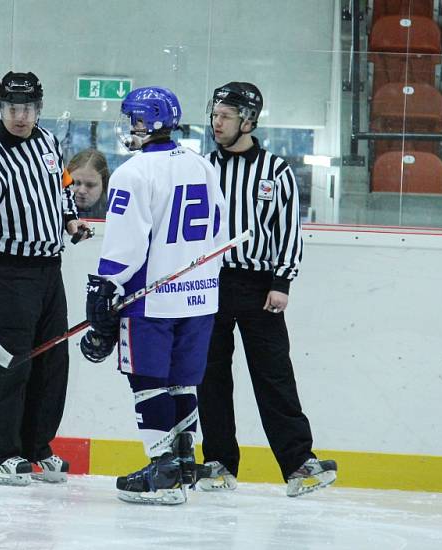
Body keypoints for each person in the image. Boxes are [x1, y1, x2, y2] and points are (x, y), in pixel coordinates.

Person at [79, 86, 227, 505]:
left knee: (147, 381)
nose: (130, 127)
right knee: (182, 382)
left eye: (134, 120)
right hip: (199, 297)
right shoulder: (202, 165)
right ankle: (183, 461)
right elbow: (217, 231)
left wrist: (105, 284)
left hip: (150, 299)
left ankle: (161, 468)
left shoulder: (134, 172)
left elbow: (126, 244)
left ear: (148, 123)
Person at [197, 81, 337, 497]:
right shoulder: (203, 166)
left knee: (274, 376)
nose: (216, 122)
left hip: (260, 288)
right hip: (211, 284)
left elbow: (288, 230)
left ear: (249, 121)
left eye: (226, 116)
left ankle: (298, 462)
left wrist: (282, 282)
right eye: (215, 114)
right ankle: (219, 462)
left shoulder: (275, 170)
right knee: (211, 377)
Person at [0, 71, 92, 486]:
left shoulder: (48, 143)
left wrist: (70, 221)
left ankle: (36, 447)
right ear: (0, 108)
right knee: (7, 365)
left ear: (38, 109)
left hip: (49, 271)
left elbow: (62, 188)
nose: (20, 115)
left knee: (52, 363)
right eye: (13, 108)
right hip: (7, 274)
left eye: (28, 108)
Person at [69, 148, 109, 219]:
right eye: (75, 183)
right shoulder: (53, 209)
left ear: (104, 184)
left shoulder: (113, 214)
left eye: (90, 185)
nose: (82, 191)